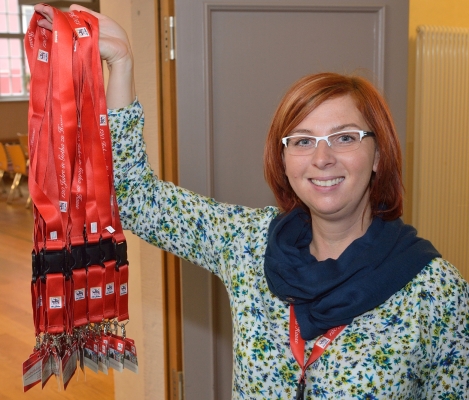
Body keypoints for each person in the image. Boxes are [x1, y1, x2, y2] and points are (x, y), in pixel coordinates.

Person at [34, 4, 469, 399]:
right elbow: (135, 199)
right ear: (284, 160)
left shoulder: (437, 293)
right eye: (302, 141)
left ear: (378, 155)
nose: (322, 158)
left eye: (344, 137)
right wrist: (122, 63)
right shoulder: (248, 243)